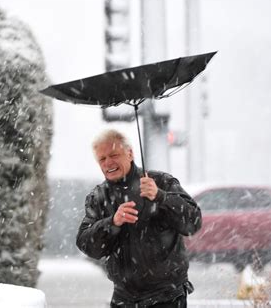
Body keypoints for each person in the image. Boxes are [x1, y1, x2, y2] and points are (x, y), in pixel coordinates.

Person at [76, 129, 202, 308]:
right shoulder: (99, 197)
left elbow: (193, 222)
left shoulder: (161, 182)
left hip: (167, 296)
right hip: (124, 298)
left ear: (130, 153)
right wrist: (112, 223)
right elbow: (87, 245)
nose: (108, 163)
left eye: (113, 155)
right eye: (102, 159)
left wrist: (161, 197)